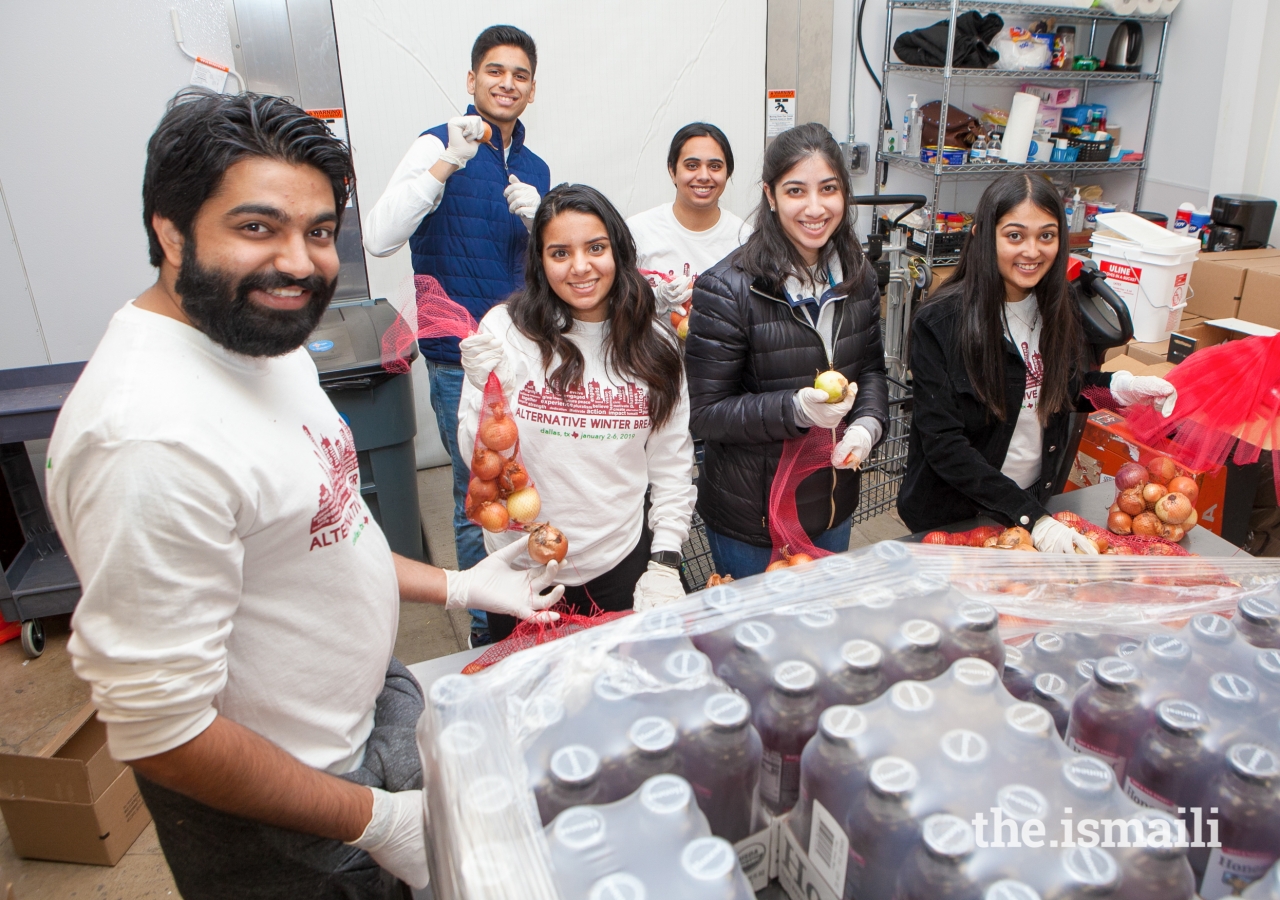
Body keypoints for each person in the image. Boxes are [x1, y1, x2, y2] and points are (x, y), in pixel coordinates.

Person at [47, 90, 563, 899]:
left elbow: (326, 527)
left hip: (367, 718)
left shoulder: (262, 342)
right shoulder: (145, 436)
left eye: (318, 232)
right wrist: (370, 819)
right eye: (257, 227)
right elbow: (164, 731)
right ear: (169, 231)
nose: (297, 261)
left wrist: (454, 583)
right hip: (291, 814)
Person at [363, 24, 550, 646]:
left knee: (526, 489)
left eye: (520, 74)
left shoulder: (535, 166)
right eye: (495, 71)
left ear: (531, 89)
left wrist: (542, 222)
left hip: (526, 354)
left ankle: (527, 606)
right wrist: (447, 163)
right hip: (459, 360)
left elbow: (557, 271)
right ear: (471, 81)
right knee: (479, 498)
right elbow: (380, 235)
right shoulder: (435, 144)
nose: (507, 83)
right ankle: (483, 630)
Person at [458, 184, 696, 642]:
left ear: (619, 251)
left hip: (617, 563)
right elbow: (478, 461)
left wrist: (665, 560)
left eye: (596, 248)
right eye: (560, 253)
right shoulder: (505, 332)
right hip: (520, 569)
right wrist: (487, 395)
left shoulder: (656, 346)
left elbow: (671, 465)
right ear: (540, 262)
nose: (581, 267)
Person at [897, 173, 1177, 551]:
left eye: (1046, 235)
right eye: (1015, 235)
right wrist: (1033, 520)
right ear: (983, 236)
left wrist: (1119, 389)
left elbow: (1064, 389)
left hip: (1031, 498)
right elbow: (943, 443)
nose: (1032, 251)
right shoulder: (941, 322)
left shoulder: (1060, 309)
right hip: (955, 513)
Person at [684, 123, 889, 579]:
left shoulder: (859, 277)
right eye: (796, 190)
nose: (815, 208)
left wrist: (867, 427)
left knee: (819, 630)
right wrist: (795, 411)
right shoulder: (727, 288)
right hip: (752, 520)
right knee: (753, 641)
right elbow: (706, 413)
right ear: (771, 195)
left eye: (829, 189)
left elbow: (871, 368)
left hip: (833, 502)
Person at [627, 123, 750, 316]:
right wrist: (653, 298)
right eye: (692, 166)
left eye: (715, 166)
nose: (703, 176)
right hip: (650, 347)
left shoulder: (745, 240)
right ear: (672, 171)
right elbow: (614, 301)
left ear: (728, 173)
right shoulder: (637, 231)